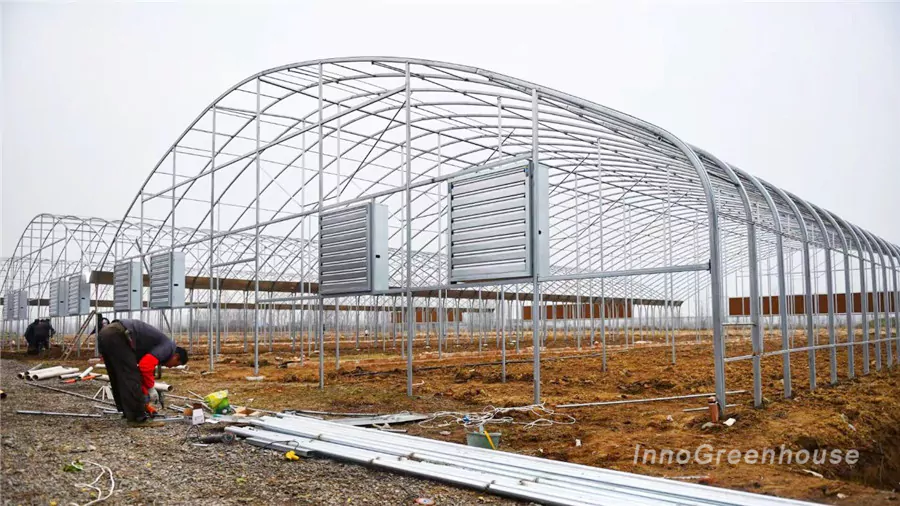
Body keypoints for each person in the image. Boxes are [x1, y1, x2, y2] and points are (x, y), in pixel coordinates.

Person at [98, 319, 188, 427]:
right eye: (174, 365)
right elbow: (145, 366)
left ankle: (128, 412)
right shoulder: (168, 347)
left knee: (119, 375)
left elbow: (141, 373)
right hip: (118, 335)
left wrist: (144, 398)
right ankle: (137, 418)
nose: (170, 367)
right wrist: (151, 388)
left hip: (106, 333)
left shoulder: (158, 345)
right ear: (176, 356)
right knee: (130, 376)